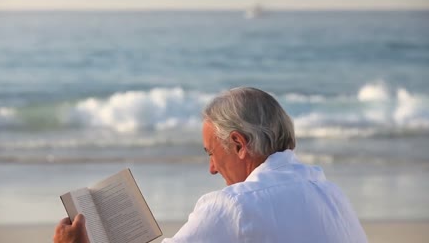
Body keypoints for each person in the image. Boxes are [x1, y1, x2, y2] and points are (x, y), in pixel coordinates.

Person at [54, 86, 368, 243]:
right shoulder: (331, 193)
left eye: (210, 153)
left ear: (239, 144)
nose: (212, 169)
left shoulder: (235, 206)